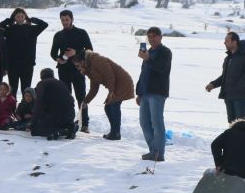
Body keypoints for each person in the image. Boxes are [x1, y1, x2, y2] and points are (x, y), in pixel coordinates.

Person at [72, 50, 135, 140]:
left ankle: (116, 133)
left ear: (83, 61)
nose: (78, 69)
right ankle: (114, 132)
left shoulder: (97, 60)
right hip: (114, 85)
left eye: (78, 66)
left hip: (122, 82)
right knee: (108, 107)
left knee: (113, 106)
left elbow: (109, 75)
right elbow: (94, 88)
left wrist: (111, 92)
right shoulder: (89, 69)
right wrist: (85, 101)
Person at [50, 10, 93, 133]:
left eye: (67, 20)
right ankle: (67, 121)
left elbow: (90, 49)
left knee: (81, 97)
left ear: (72, 19)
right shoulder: (58, 35)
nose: (65, 22)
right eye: (62, 20)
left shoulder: (81, 33)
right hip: (63, 69)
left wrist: (76, 52)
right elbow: (53, 52)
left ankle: (85, 124)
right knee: (65, 97)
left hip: (79, 69)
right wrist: (58, 59)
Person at [136, 27, 172, 161]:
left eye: (154, 36)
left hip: (157, 92)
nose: (151, 39)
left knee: (157, 122)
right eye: (149, 36)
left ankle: (159, 153)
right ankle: (153, 150)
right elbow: (144, 74)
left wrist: (148, 59)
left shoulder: (165, 52)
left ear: (160, 37)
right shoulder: (149, 51)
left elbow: (162, 69)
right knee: (144, 122)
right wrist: (139, 92)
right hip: (145, 93)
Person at [205, 32, 245, 123]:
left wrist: (237, 87)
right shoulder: (228, 58)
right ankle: (233, 138)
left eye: (227, 41)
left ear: (234, 42)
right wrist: (213, 84)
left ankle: (242, 137)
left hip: (240, 96)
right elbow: (225, 76)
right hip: (228, 95)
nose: (224, 43)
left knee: (240, 123)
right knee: (231, 123)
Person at [0, 8, 48, 99]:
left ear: (25, 17)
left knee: (26, 88)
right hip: (13, 64)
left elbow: (44, 25)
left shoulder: (32, 29)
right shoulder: (10, 30)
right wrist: (9, 20)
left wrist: (32, 19)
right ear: (15, 18)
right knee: (12, 87)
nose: (20, 18)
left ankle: (25, 108)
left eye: (22, 16)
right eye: (17, 17)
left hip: (28, 63)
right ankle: (12, 108)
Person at [27, 68, 77, 140]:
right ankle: (70, 127)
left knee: (35, 131)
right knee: (57, 121)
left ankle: (60, 131)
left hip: (55, 117)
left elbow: (39, 104)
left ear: (41, 76)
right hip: (70, 116)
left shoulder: (42, 83)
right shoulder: (61, 83)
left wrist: (32, 123)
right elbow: (71, 100)